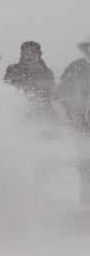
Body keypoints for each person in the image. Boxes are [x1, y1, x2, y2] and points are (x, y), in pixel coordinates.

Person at [58, 37, 90, 204]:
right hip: (80, 121)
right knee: (85, 158)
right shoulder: (76, 66)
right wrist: (72, 114)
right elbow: (63, 91)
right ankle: (86, 192)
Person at [4, 40, 55, 110]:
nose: (29, 55)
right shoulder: (13, 69)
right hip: (19, 109)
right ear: (21, 54)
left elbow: (51, 95)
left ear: (40, 54)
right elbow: (9, 91)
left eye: (33, 52)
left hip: (42, 111)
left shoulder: (47, 72)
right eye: (26, 52)